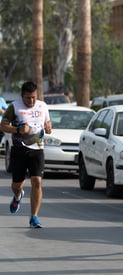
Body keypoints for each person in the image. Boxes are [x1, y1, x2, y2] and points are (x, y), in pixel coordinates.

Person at [0, 81, 52, 228]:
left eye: (34, 97)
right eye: (28, 98)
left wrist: (48, 128)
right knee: (17, 185)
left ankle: (34, 217)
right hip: (19, 151)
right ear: (22, 96)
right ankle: (18, 195)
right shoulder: (14, 107)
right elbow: (2, 126)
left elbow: (48, 126)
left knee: (37, 181)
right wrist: (18, 130)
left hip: (37, 149)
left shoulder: (43, 106)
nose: (31, 101)